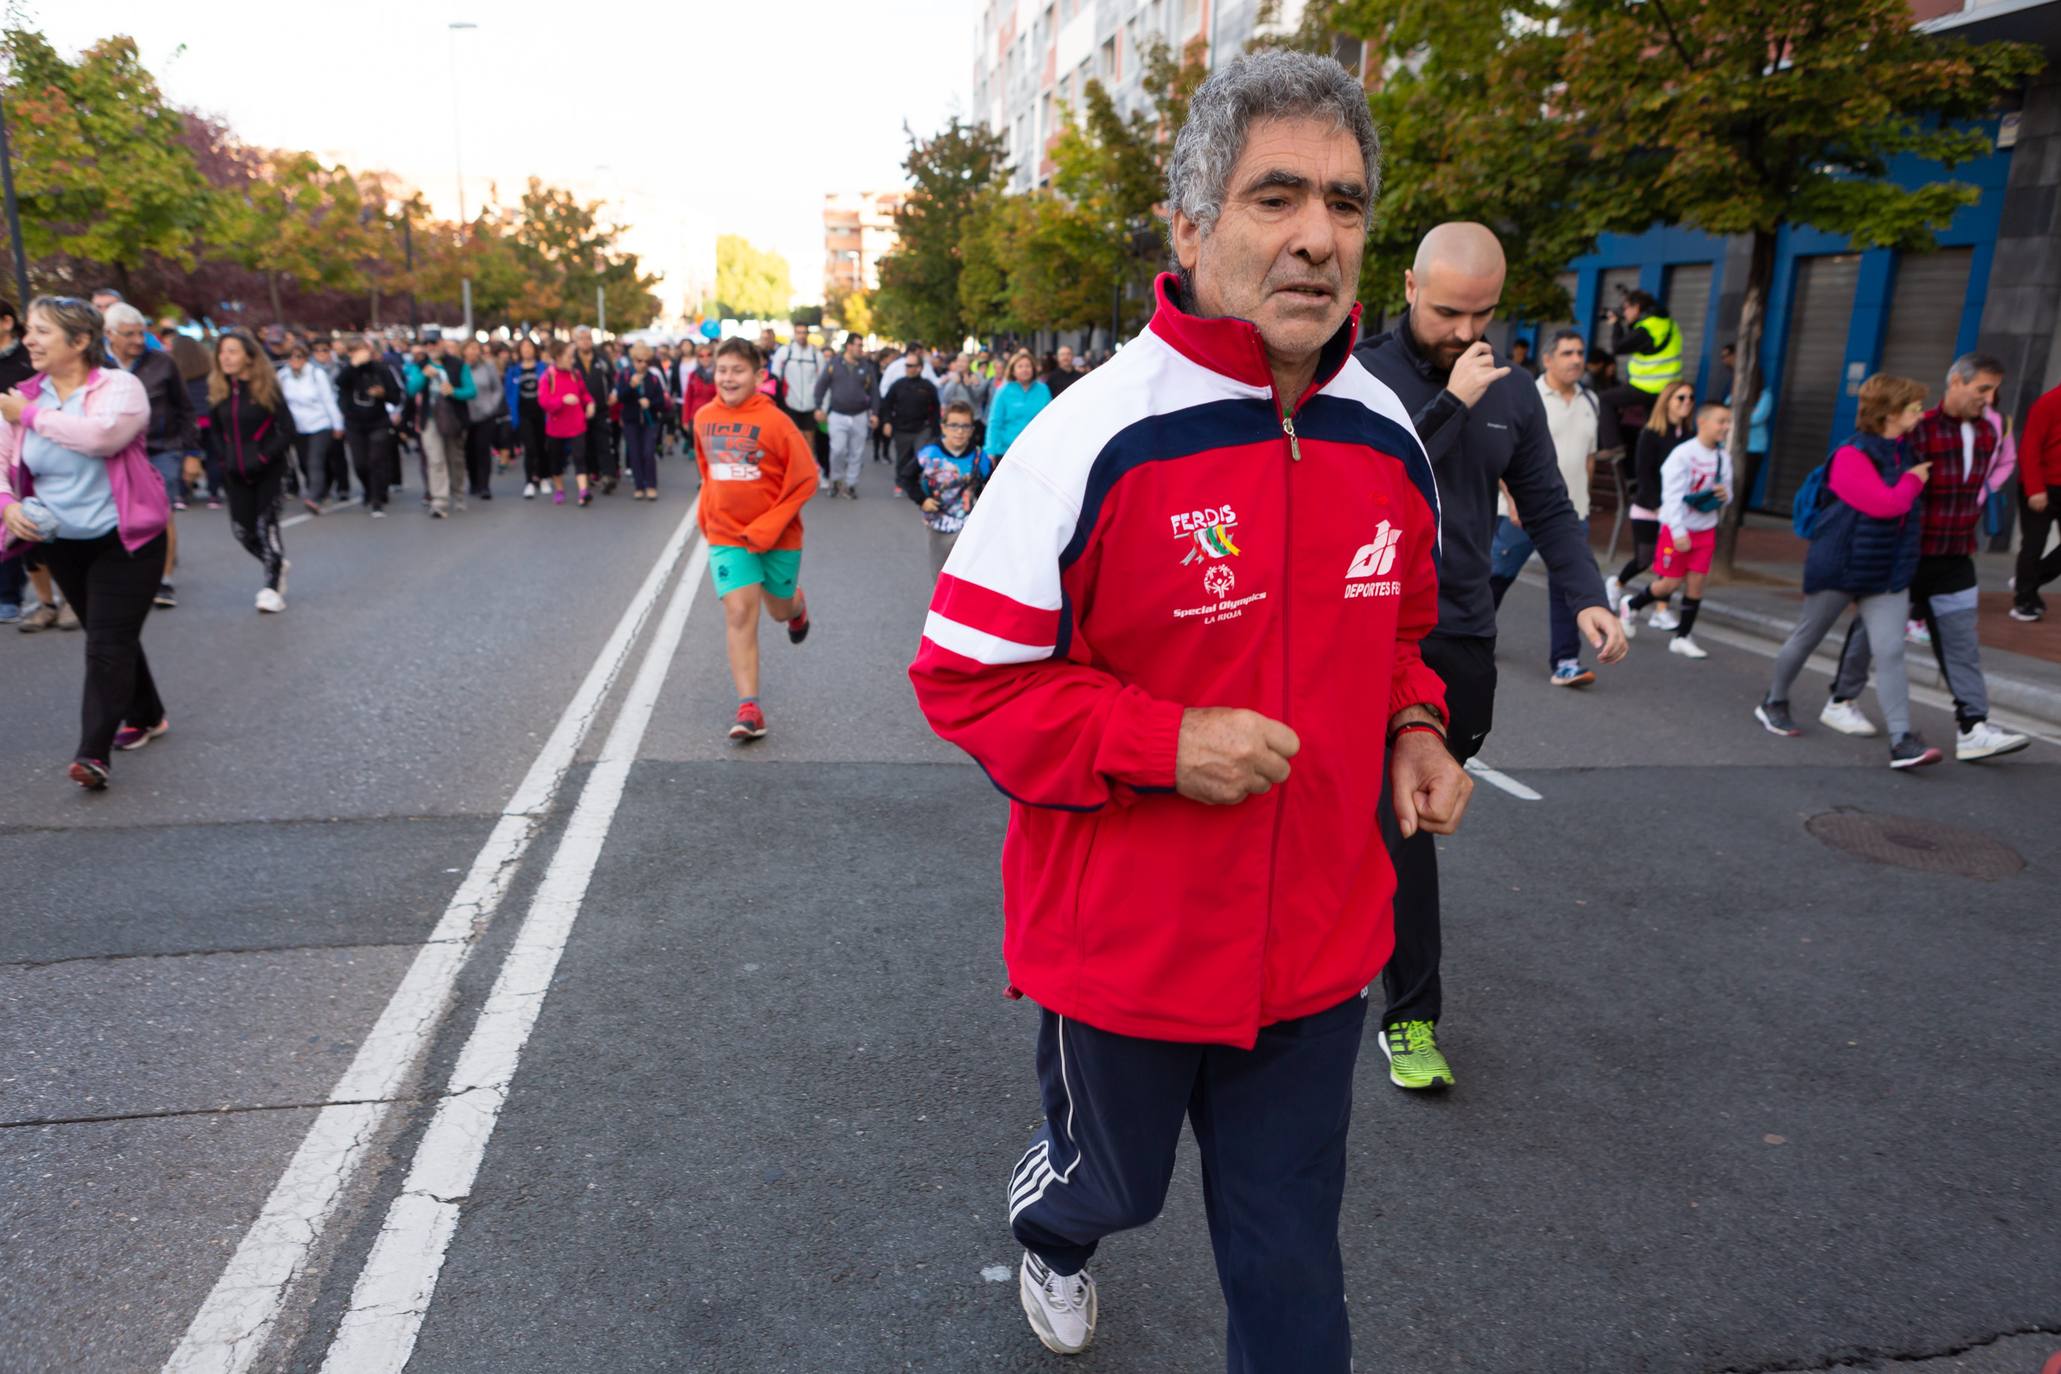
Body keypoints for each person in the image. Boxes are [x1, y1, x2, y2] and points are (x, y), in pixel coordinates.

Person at [912, 51, 1473, 1369]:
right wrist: (1159, 742)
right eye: (1275, 197)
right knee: (1115, 1187)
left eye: (1343, 204)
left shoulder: (1387, 433)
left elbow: (1400, 634)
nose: (1317, 237)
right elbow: (967, 678)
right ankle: (1055, 1227)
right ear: (1190, 223)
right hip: (1126, 954)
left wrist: (1414, 726)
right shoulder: (1088, 435)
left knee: (1291, 1262)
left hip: (1321, 947)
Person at [1355, 221, 1625, 1092]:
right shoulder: (1355, 376)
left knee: (1395, 820)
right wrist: (1449, 406)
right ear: (1406, 286)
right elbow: (1364, 487)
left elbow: (1546, 503)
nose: (1466, 333)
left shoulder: (1511, 392)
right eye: (1445, 313)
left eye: (1481, 315)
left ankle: (1352, 928)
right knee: (1402, 818)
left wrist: (1585, 593)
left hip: (1459, 635)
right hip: (1362, 630)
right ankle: (1412, 1018)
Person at [1, 297, 171, 788]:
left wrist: (30, 416)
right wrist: (8, 507)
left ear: (79, 342)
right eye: (29, 330)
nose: (29, 340)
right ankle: (149, 712)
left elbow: (101, 439)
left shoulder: (120, 387)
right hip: (63, 543)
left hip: (128, 538)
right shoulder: (23, 395)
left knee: (105, 642)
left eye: (42, 332)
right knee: (110, 634)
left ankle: (92, 754)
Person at [1826, 354, 2030, 762]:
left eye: (1994, 390)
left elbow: (1990, 476)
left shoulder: (1991, 430)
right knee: (1872, 635)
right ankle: (1840, 701)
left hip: (1956, 555)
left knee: (1961, 643)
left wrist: (1982, 500)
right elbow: (1886, 486)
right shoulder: (1919, 430)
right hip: (1907, 553)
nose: (1989, 399)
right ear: (1955, 381)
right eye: (1982, 390)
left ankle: (1973, 727)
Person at [1754, 374, 1942, 768]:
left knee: (1890, 650)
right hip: (1840, 565)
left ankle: (1902, 740)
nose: (1920, 414)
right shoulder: (1850, 455)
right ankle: (1774, 700)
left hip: (1887, 570)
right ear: (1890, 413)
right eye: (1913, 409)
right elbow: (1885, 505)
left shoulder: (1904, 450)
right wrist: (1912, 481)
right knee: (1807, 637)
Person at [693, 337, 817, 740]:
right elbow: (707, 469)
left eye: (738, 370)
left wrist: (770, 525)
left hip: (778, 537)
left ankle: (797, 606)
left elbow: (805, 478)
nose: (728, 378)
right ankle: (750, 708)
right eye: (722, 370)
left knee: (778, 610)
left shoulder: (777, 422)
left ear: (759, 376)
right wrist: (706, 511)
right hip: (728, 535)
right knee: (740, 613)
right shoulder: (703, 417)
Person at [1487, 328, 1604, 685]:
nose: (1576, 359)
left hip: (1569, 515)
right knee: (1495, 578)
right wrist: (1512, 498)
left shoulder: (1590, 402)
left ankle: (1566, 661)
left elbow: (1589, 458)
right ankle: (1473, 638)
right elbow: (1504, 454)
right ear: (1549, 359)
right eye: (1567, 353)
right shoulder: (1524, 395)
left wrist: (1583, 502)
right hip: (1520, 513)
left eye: (1580, 352)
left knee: (1568, 585)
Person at [1617, 402, 1732, 659]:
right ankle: (1631, 604)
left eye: (1728, 422)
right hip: (1677, 528)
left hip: (1706, 528)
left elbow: (1729, 491)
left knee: (1697, 583)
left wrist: (1726, 495)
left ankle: (1682, 636)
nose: (1726, 427)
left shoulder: (1723, 457)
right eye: (1721, 421)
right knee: (1669, 583)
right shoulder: (1682, 455)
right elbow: (1671, 496)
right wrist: (1678, 531)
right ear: (1703, 422)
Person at [105, 303, 195, 608]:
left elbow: (185, 408)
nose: (138, 340)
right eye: (129, 334)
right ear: (109, 335)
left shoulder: (162, 363)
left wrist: (192, 452)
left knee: (162, 512)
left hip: (162, 448)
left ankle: (164, 580)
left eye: (141, 333)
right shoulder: (99, 367)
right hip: (117, 451)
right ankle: (129, 574)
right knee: (119, 515)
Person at [206, 330, 296, 610]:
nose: (226, 357)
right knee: (243, 531)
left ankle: (271, 589)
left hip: (269, 470)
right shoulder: (219, 391)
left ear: (248, 356)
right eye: (222, 351)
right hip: (235, 473)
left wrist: (264, 457)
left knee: (265, 526)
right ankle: (277, 562)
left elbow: (287, 430)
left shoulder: (266, 388)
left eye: (232, 351)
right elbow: (215, 433)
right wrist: (224, 459)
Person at [1607, 379, 1695, 621]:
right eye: (1681, 398)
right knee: (1644, 559)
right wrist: (1657, 504)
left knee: (1667, 560)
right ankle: (1617, 583)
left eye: (1690, 398)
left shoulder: (1689, 436)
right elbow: (1643, 473)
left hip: (1676, 510)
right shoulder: (1651, 433)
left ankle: (1661, 611)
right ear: (1667, 402)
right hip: (1649, 507)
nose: (1687, 402)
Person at [899, 399, 990, 577]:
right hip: (938, 525)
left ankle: (961, 604)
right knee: (941, 575)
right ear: (943, 427)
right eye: (954, 425)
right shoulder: (930, 453)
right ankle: (941, 605)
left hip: (969, 526)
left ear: (972, 430)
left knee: (966, 575)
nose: (959, 431)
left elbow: (992, 487)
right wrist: (922, 500)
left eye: (965, 426)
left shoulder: (980, 457)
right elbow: (906, 477)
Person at [2011, 379, 2061, 620]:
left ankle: (2028, 580)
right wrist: (2034, 488)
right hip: (2041, 486)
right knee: (2033, 544)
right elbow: (2029, 446)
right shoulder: (2048, 403)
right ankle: (2024, 601)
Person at [337, 336, 403, 518]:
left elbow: (396, 396)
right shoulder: (347, 371)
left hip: (378, 421)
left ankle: (377, 499)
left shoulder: (381, 369)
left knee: (376, 460)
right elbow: (340, 384)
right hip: (354, 423)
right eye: (354, 351)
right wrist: (353, 365)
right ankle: (368, 488)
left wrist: (384, 393)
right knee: (360, 463)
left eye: (361, 350)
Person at [278, 340, 346, 517]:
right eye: (290, 357)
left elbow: (328, 400)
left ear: (306, 358)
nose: (294, 361)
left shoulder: (317, 374)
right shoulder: (283, 376)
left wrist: (337, 424)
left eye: (298, 357)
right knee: (303, 462)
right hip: (298, 427)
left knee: (315, 460)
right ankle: (319, 489)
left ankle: (313, 497)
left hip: (320, 423)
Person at [1603, 287, 1683, 434]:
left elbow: (1618, 347)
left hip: (1649, 386)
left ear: (1637, 307)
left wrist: (1616, 324)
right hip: (1667, 386)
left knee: (1603, 400)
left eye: (1625, 308)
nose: (1624, 313)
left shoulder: (1649, 327)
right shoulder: (1666, 323)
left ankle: (1613, 446)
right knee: (1653, 428)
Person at [813, 331, 878, 499]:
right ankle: (836, 480)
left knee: (856, 452)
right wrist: (818, 407)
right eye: (858, 345)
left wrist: (875, 413)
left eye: (861, 346)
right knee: (837, 450)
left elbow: (874, 392)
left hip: (859, 415)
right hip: (838, 414)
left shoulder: (866, 367)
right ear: (849, 346)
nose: (861, 349)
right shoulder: (834, 364)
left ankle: (850, 485)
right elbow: (821, 386)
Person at [0, 299, 33, 623]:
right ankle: (7, 594)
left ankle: (54, 598)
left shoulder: (29, 357)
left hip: (25, 447)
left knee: (26, 519)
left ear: (6, 322)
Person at [413, 344, 474, 518]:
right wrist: (423, 376)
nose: (432, 347)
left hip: (453, 418)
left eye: (435, 343)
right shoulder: (420, 365)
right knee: (436, 460)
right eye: (428, 344)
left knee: (455, 458)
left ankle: (458, 493)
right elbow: (411, 389)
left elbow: (471, 391)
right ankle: (439, 500)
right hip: (430, 419)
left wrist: (454, 391)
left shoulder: (458, 364)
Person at [539, 340, 594, 506]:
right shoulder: (548, 376)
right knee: (556, 461)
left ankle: (583, 492)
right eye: (569, 357)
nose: (572, 360)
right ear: (558, 357)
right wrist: (562, 400)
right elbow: (543, 401)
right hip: (556, 427)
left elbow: (584, 393)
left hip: (577, 424)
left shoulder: (575, 374)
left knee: (580, 457)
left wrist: (590, 403)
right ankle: (560, 489)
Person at [772, 325, 830, 477]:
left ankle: (809, 470)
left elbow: (823, 382)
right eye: (799, 332)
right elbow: (775, 377)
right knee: (792, 438)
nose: (802, 336)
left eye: (804, 333)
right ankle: (793, 470)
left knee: (810, 437)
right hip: (790, 402)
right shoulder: (785, 352)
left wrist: (822, 407)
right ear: (794, 333)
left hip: (810, 403)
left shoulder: (816, 355)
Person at [617, 342, 667, 500]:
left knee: (648, 452)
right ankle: (639, 486)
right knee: (635, 453)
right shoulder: (625, 376)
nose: (643, 364)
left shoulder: (653, 377)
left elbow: (662, 400)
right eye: (639, 361)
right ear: (633, 360)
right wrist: (631, 386)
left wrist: (650, 403)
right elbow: (620, 397)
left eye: (646, 361)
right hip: (631, 420)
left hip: (650, 421)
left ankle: (651, 485)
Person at [882, 350, 942, 477]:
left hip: (922, 429)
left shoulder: (928, 386)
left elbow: (936, 408)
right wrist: (887, 422)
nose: (907, 368)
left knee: (921, 458)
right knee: (902, 458)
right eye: (906, 365)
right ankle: (901, 482)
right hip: (901, 429)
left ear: (919, 368)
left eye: (910, 365)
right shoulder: (898, 385)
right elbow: (887, 404)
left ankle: (919, 483)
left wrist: (935, 430)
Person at [984, 349, 1050, 461]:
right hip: (1006, 451)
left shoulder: (1043, 390)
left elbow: (1050, 420)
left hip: (1035, 450)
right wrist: (990, 450)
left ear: (1033, 369)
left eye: (1028, 366)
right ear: (1013, 371)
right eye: (1020, 366)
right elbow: (995, 422)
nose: (1024, 369)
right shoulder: (1003, 391)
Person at [573, 328, 616, 495]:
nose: (585, 341)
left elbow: (613, 380)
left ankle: (609, 475)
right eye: (582, 338)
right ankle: (591, 473)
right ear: (576, 340)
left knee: (603, 442)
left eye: (588, 338)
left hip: (601, 408)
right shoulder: (572, 361)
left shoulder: (602, 359)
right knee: (585, 444)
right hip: (579, 411)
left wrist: (613, 393)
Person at [505, 337, 548, 497]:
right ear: (519, 351)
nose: (527, 350)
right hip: (523, 414)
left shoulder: (543, 368)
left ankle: (543, 477)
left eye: (530, 346)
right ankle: (529, 481)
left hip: (541, 413)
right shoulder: (514, 370)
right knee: (529, 447)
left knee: (542, 446)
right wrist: (511, 413)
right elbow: (509, 393)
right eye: (524, 347)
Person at [462, 340, 503, 501]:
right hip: (466, 415)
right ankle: (473, 482)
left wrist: (492, 406)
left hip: (485, 415)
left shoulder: (488, 367)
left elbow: (497, 389)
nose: (474, 352)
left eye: (476, 349)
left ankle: (484, 484)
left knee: (482, 449)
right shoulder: (461, 368)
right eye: (470, 348)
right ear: (464, 350)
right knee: (469, 450)